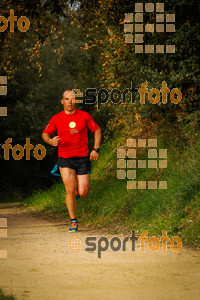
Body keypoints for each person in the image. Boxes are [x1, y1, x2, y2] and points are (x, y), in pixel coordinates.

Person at [42, 90, 102, 232]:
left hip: (82, 158)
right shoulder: (56, 118)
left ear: (76, 101)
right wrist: (50, 141)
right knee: (69, 189)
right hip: (65, 159)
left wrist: (96, 149)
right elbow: (45, 134)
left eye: (72, 99)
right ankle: (73, 221)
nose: (70, 101)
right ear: (62, 101)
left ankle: (76, 194)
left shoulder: (84, 116)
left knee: (83, 192)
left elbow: (97, 130)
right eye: (67, 99)